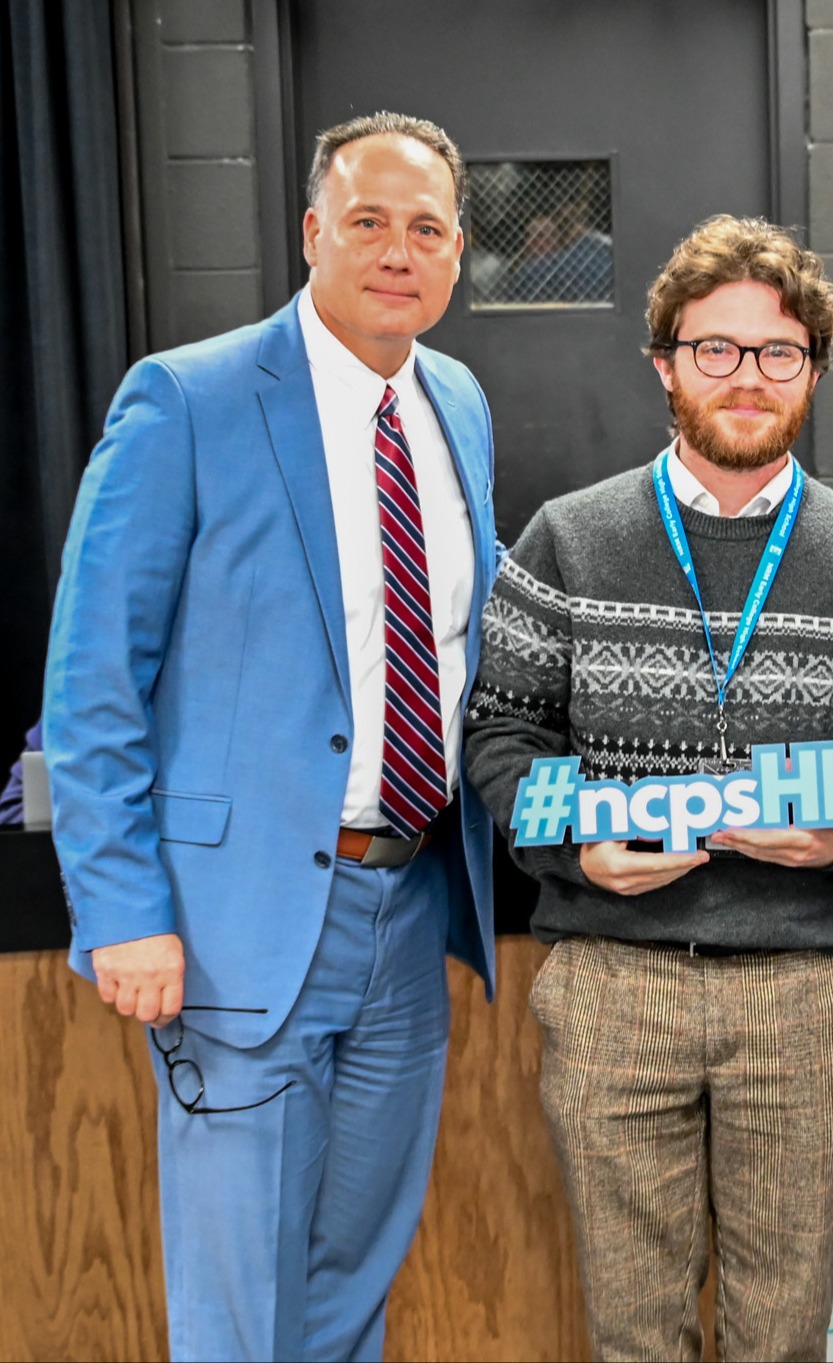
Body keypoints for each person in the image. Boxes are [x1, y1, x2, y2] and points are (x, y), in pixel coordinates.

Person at [42, 111, 499, 1362]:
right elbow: (91, 684)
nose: (397, 252)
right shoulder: (185, 400)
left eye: (426, 229)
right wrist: (121, 905)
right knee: (242, 1311)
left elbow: (457, 642)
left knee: (350, 1283)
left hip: (407, 917)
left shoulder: (455, 400)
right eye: (367, 223)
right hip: (237, 925)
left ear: (459, 254)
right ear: (312, 234)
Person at [464, 214, 833, 1361]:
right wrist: (570, 850)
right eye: (716, 348)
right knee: (634, 1335)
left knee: (781, 1334)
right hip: (610, 983)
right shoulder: (563, 540)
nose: (747, 376)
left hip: (800, 991)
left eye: (777, 352)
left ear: (813, 372)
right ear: (666, 362)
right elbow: (500, 729)